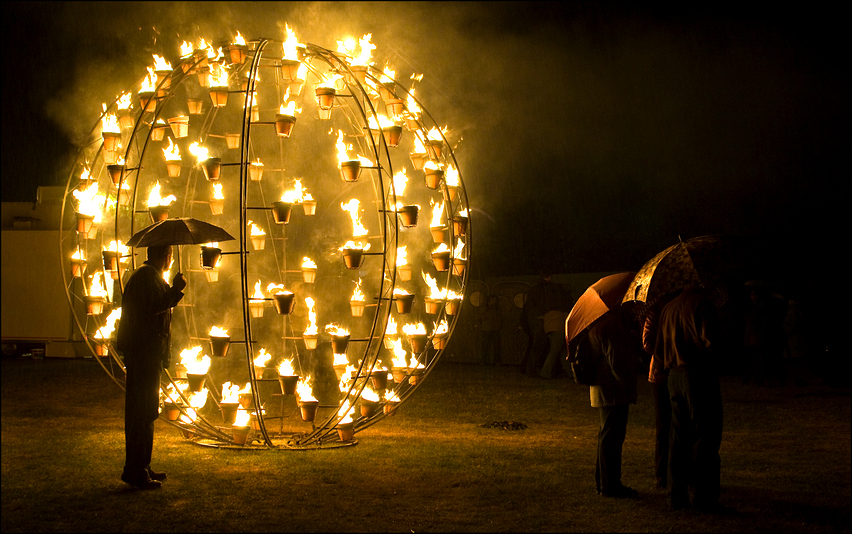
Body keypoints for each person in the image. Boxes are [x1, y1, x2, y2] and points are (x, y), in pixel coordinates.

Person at [653, 288, 734, 514]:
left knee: (678, 437)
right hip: (697, 374)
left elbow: (658, 350)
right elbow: (712, 340)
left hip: (674, 376)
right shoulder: (701, 304)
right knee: (705, 435)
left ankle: (676, 495)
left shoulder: (668, 308)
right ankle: (705, 497)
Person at [115, 245, 186, 489]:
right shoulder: (146, 277)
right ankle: (135, 470)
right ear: (164, 255)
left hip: (147, 353)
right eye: (170, 256)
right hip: (142, 353)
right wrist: (176, 290)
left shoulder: (150, 276)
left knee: (146, 412)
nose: (171, 260)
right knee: (141, 413)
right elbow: (152, 308)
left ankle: (142, 466)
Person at [585, 308, 641, 498]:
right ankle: (610, 485)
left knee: (607, 436)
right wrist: (627, 383)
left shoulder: (596, 322)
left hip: (603, 386)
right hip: (612, 388)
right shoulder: (611, 324)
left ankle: (603, 482)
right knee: (612, 437)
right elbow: (616, 359)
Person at [642, 292, 680, 491]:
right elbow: (647, 343)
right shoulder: (655, 313)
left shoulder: (677, 310)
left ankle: (677, 472)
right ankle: (662, 475)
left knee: (680, 425)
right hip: (659, 374)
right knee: (664, 427)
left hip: (675, 371)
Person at [521, 269, 570, 376]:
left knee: (539, 346)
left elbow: (529, 307)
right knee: (554, 347)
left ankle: (532, 369)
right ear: (550, 277)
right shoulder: (555, 289)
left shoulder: (535, 289)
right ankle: (546, 370)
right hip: (549, 318)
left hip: (539, 319)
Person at [540, 308, 569, 378]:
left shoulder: (550, 310)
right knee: (555, 351)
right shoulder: (562, 310)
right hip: (559, 328)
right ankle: (545, 372)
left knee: (560, 351)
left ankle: (570, 372)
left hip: (549, 328)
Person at [476, 294, 502, 365]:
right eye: (493, 299)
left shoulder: (496, 308)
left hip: (493, 328)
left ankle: (493, 360)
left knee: (495, 346)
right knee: (486, 346)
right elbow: (481, 317)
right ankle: (484, 360)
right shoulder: (485, 308)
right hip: (487, 329)